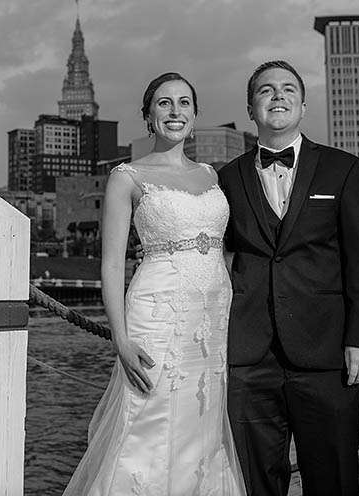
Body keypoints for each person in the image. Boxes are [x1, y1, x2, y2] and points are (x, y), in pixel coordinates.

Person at [64, 72, 245, 495]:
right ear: (148, 116)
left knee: (203, 423)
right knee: (148, 421)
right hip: (158, 314)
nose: (175, 111)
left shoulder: (213, 177)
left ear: (195, 113)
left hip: (213, 320)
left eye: (184, 102)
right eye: (163, 103)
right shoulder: (126, 177)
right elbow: (111, 266)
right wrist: (121, 341)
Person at [217, 60, 359, 496]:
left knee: (332, 475)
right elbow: (213, 252)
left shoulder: (343, 169)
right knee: (255, 480)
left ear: (303, 105)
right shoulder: (226, 179)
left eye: (288, 89)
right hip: (250, 357)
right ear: (251, 108)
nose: (278, 96)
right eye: (266, 90)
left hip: (327, 352)